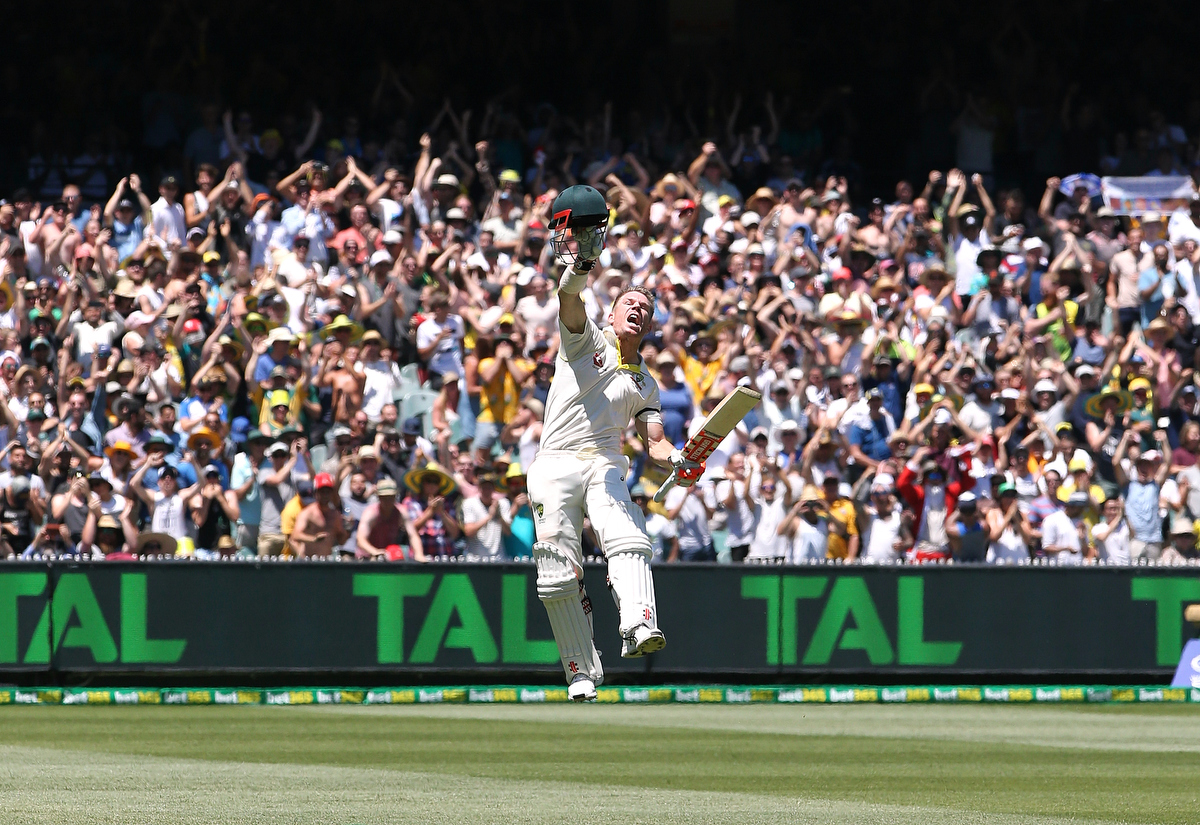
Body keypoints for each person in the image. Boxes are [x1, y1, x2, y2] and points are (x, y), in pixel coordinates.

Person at [526, 185, 699, 702]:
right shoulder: (585, 340)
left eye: (645, 309)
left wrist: (683, 460)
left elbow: (656, 444)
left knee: (627, 536)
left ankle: (639, 624)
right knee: (556, 572)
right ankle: (581, 669)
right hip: (555, 462)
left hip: (604, 461)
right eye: (629, 302)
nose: (637, 310)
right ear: (612, 312)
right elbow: (569, 298)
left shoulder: (646, 383)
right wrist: (583, 261)